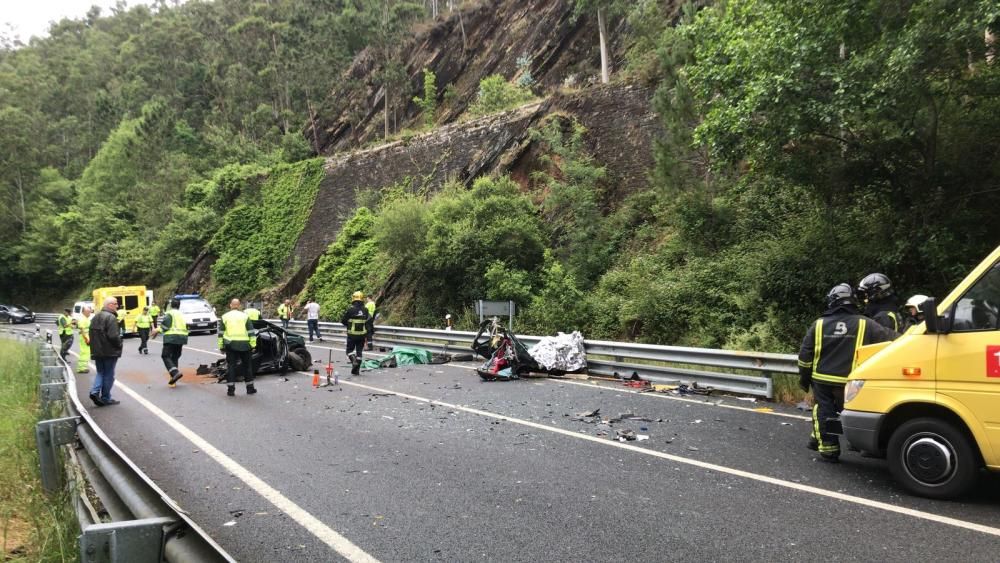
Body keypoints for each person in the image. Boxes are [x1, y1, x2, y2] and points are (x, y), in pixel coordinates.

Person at [798, 284, 897, 462]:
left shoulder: (818, 324)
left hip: (822, 380)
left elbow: (805, 356)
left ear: (832, 301)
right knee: (853, 413)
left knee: (823, 412)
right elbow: (893, 341)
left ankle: (828, 451)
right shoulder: (866, 323)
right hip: (851, 381)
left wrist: (804, 380)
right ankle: (859, 444)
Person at [218, 298, 257, 396]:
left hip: (231, 345)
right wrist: (253, 345)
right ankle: (250, 388)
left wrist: (221, 346)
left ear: (230, 305)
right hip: (245, 345)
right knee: (247, 367)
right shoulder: (245, 316)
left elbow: (221, 333)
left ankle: (231, 390)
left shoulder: (224, 316)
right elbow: (251, 332)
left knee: (231, 367)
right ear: (239, 306)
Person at [89, 297, 123, 406]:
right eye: (115, 304)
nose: (117, 306)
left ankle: (95, 392)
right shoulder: (111, 317)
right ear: (109, 305)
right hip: (109, 351)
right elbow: (113, 336)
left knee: (100, 372)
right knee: (109, 374)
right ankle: (106, 397)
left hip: (97, 351)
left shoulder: (95, 317)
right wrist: (120, 344)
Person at [153, 298, 188, 387]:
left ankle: (175, 373)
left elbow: (165, 326)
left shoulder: (170, 313)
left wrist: (156, 330)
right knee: (174, 357)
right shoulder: (182, 314)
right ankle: (173, 380)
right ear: (179, 306)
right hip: (182, 338)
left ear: (171, 305)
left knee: (165, 355)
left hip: (171, 337)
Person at [341, 291, 370, 375]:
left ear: (354, 299)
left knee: (349, 350)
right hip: (362, 335)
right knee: (359, 352)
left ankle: (353, 361)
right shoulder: (365, 310)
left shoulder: (351, 310)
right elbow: (368, 321)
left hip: (352, 335)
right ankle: (356, 370)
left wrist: (349, 324)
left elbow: (343, 321)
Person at [76, 306, 93, 374]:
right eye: (88, 312)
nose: (89, 313)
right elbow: (82, 330)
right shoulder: (83, 319)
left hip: (86, 337)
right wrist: (86, 339)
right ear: (84, 312)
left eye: (90, 312)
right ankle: (81, 368)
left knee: (86, 352)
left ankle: (83, 367)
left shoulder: (86, 318)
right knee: (84, 352)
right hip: (84, 338)